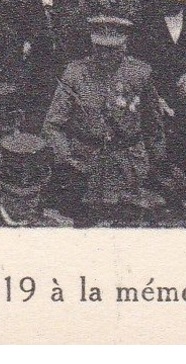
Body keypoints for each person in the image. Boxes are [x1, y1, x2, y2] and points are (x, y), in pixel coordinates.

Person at [42, 15, 171, 224]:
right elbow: (53, 124)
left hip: (129, 166)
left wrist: (156, 161)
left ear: (125, 45)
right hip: (85, 165)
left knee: (129, 223)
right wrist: (68, 160)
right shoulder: (75, 74)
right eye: (100, 48)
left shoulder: (140, 73)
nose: (105, 55)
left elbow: (153, 124)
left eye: (113, 49)